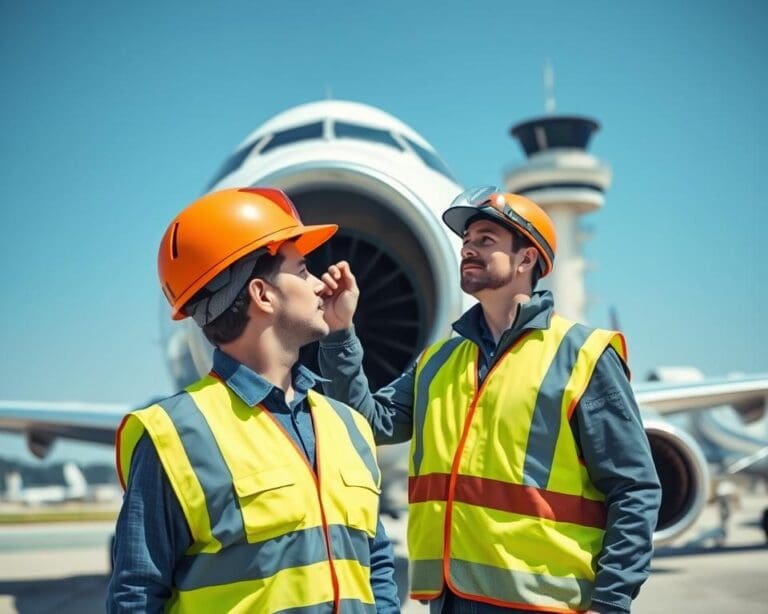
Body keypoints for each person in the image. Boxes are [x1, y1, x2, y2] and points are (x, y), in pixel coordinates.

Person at [317, 186, 662, 614]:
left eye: (485, 241)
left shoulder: (582, 355)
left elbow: (634, 488)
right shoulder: (438, 361)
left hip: (543, 604)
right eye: (466, 242)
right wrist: (339, 333)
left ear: (526, 258)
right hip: (450, 600)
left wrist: (611, 603)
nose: (468, 250)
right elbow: (365, 424)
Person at [107, 187, 400, 613]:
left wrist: (341, 333)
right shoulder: (174, 436)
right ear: (262, 295)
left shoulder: (348, 425)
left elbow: (376, 569)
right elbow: (136, 595)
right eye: (302, 271)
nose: (321, 285)